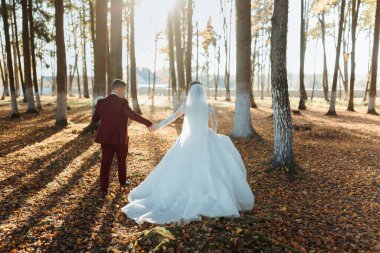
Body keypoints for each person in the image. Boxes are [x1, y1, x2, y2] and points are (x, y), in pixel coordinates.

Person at [121, 81, 254, 224]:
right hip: (205, 138)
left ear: (191, 93)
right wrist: (212, 134)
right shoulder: (208, 107)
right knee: (211, 168)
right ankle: (210, 196)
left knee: (181, 168)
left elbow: (172, 117)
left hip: (188, 140)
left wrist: (157, 126)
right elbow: (214, 124)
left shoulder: (186, 106)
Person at [91, 79, 153, 196]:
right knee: (121, 161)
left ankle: (103, 190)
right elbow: (133, 115)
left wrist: (97, 108)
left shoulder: (101, 103)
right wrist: (148, 123)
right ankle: (123, 183)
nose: (124, 93)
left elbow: (94, 120)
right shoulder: (122, 102)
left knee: (105, 163)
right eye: (124, 91)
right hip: (120, 139)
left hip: (106, 139)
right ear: (119, 89)